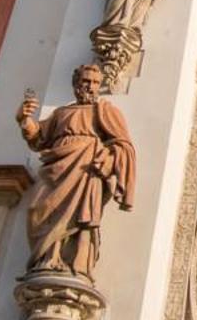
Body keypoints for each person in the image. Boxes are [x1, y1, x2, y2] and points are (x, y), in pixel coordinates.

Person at [16, 64, 136, 278]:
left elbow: (123, 145)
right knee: (38, 210)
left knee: (82, 216)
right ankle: (46, 259)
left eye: (95, 82)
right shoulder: (62, 113)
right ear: (76, 84)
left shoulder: (105, 111)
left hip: (85, 170)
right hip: (56, 168)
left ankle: (75, 265)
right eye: (85, 81)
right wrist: (25, 120)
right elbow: (38, 139)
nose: (89, 86)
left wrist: (107, 159)